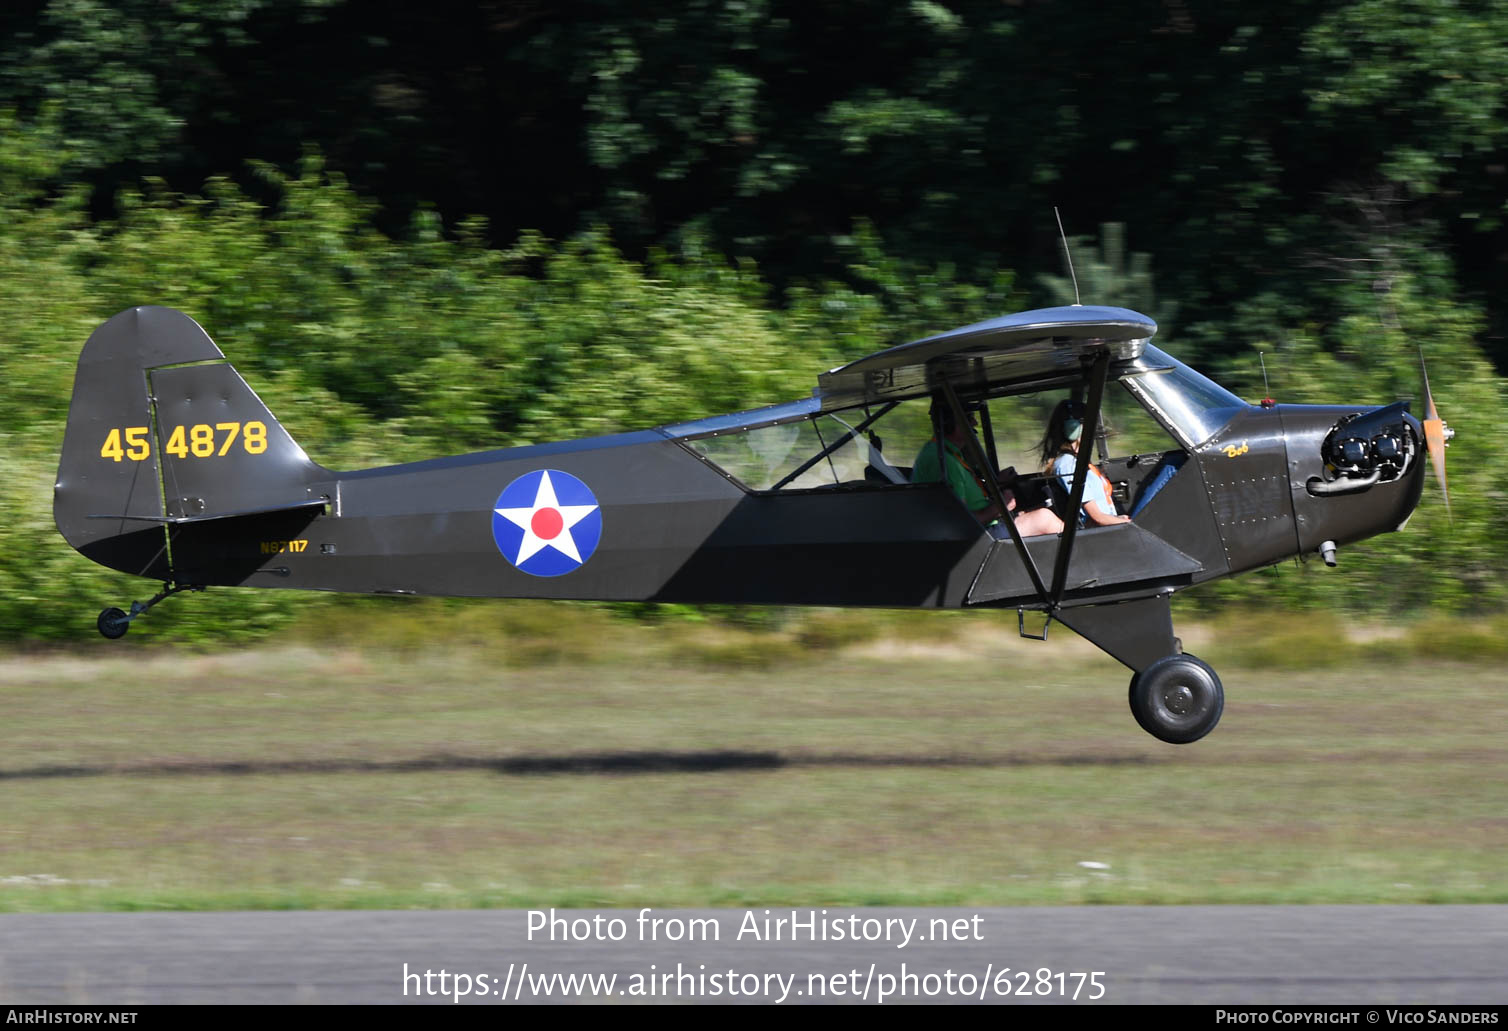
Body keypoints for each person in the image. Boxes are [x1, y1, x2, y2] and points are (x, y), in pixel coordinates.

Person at [912, 399, 1063, 537]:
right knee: (1044, 518)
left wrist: (997, 483)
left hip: (981, 528)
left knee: (1035, 513)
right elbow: (962, 520)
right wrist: (1001, 506)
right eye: (969, 417)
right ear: (952, 423)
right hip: (974, 537)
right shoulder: (945, 462)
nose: (975, 423)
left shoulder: (945, 454)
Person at [1041, 399, 1131, 527]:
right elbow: (1098, 518)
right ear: (1073, 428)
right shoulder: (1067, 464)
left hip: (1109, 524)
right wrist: (1126, 523)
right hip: (1102, 531)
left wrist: (1118, 518)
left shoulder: (1077, 461)